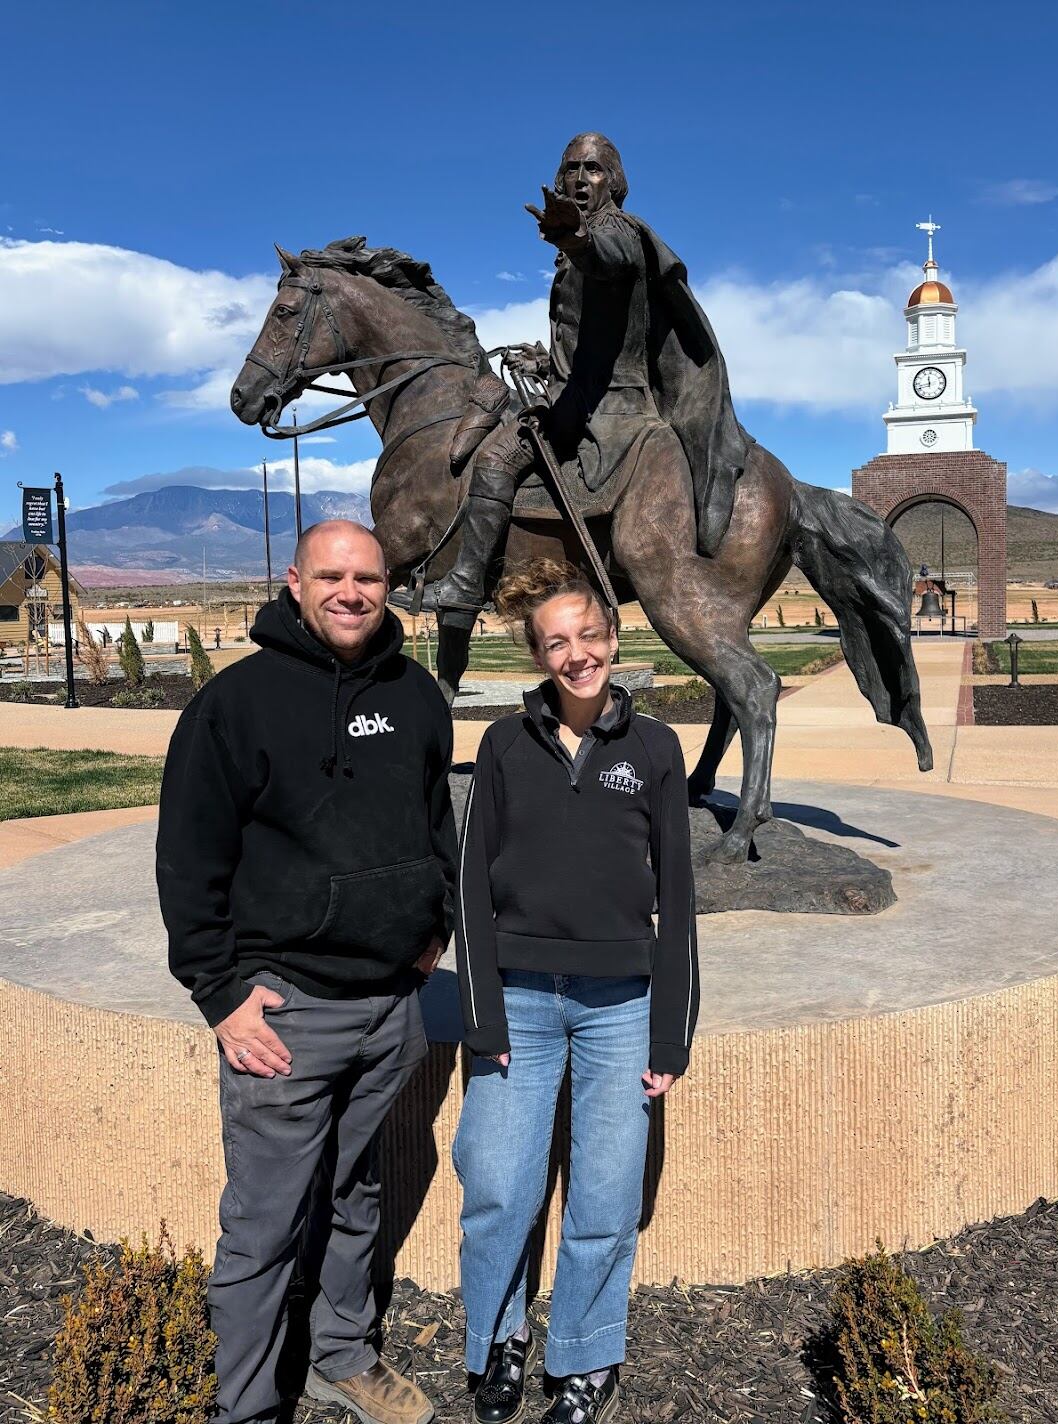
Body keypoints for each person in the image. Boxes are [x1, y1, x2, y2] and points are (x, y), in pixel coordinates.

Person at [157, 520, 456, 1424]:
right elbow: (189, 860)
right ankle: (245, 1408)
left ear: (388, 585)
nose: (351, 592)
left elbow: (435, 818)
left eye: (368, 577)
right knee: (263, 1228)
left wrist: (434, 919)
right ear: (294, 582)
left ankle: (340, 1356)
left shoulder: (415, 693)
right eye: (332, 576)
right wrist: (219, 995)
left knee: (357, 1193)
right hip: (286, 1014)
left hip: (390, 1007)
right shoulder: (235, 704)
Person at [452, 558, 699, 1424]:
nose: (576, 654)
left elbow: (678, 898)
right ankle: (498, 1340)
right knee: (497, 1185)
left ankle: (586, 1362)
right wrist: (481, 1016)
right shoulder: (502, 745)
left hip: (620, 1010)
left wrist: (671, 1035)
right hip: (518, 1001)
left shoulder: (657, 749)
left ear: (614, 640)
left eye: (588, 636)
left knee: (604, 1193)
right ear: (538, 656)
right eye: (556, 642)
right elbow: (471, 888)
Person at [413, 131, 747, 620]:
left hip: (607, 412)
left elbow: (607, 257)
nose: (580, 179)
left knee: (495, 459)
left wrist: (577, 239)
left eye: (593, 169)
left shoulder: (621, 233)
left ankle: (464, 584)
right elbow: (604, 345)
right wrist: (546, 363)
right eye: (571, 169)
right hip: (584, 393)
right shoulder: (582, 248)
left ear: (613, 180)